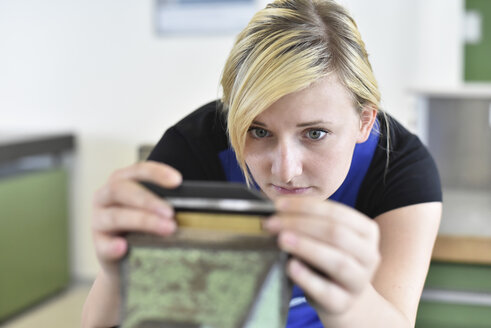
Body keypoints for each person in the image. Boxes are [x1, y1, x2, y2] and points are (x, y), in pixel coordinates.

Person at [82, 0, 442, 327]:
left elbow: (396, 319)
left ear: (364, 122)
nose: (285, 171)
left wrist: (348, 304)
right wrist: (118, 276)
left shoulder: (401, 168)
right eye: (258, 131)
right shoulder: (192, 150)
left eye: (315, 134)